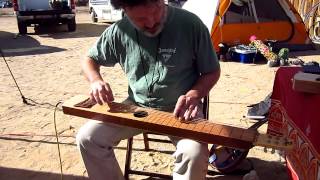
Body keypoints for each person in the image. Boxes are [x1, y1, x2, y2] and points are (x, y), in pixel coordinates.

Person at [76, 0, 221, 179]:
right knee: (88, 138)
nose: (152, 23)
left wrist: (195, 93)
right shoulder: (119, 31)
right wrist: (95, 80)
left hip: (182, 110)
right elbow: (89, 60)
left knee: (194, 153)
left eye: (157, 12)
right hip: (136, 107)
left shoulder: (191, 24)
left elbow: (212, 71)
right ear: (125, 10)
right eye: (141, 18)